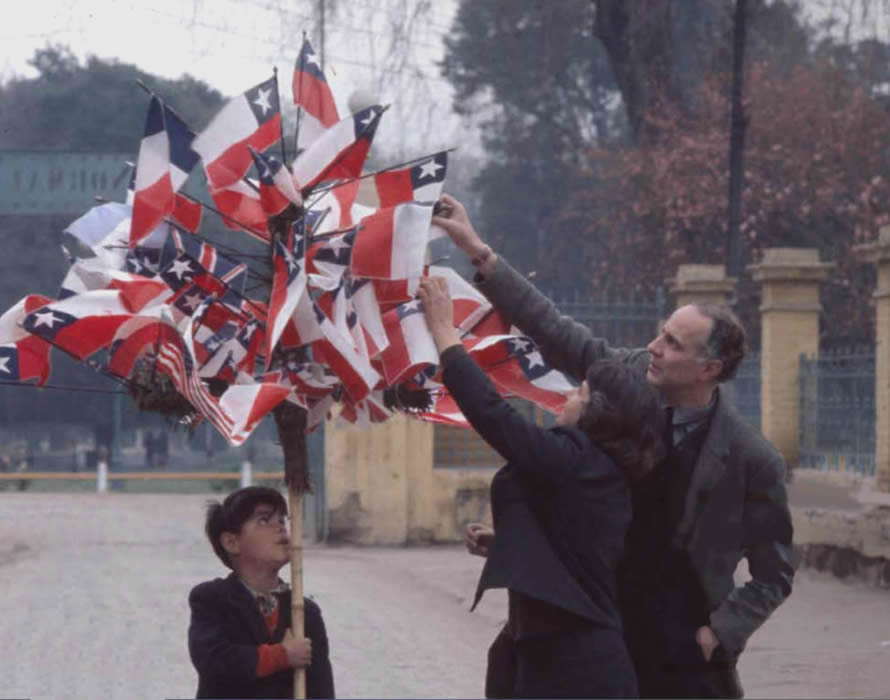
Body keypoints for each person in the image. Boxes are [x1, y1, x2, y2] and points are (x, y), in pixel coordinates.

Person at [434, 193, 794, 699]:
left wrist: (721, 634)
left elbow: (774, 573)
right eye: (661, 332)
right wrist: (478, 251)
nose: (654, 346)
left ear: (709, 369)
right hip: (600, 631)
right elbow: (555, 331)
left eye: (672, 343)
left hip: (683, 654)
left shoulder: (751, 458)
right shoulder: (628, 377)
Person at [418, 275, 664, 699]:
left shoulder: (578, 459)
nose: (569, 395)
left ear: (597, 412)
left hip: (577, 669)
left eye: (580, 392)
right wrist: (507, 543)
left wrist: (445, 336)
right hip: (546, 654)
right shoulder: (591, 466)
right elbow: (575, 546)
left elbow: (497, 418)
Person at [188, 486, 335, 699]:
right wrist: (282, 655)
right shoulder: (213, 599)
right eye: (264, 521)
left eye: (282, 520)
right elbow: (213, 660)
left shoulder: (305, 613)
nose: (280, 528)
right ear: (232, 542)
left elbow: (321, 689)